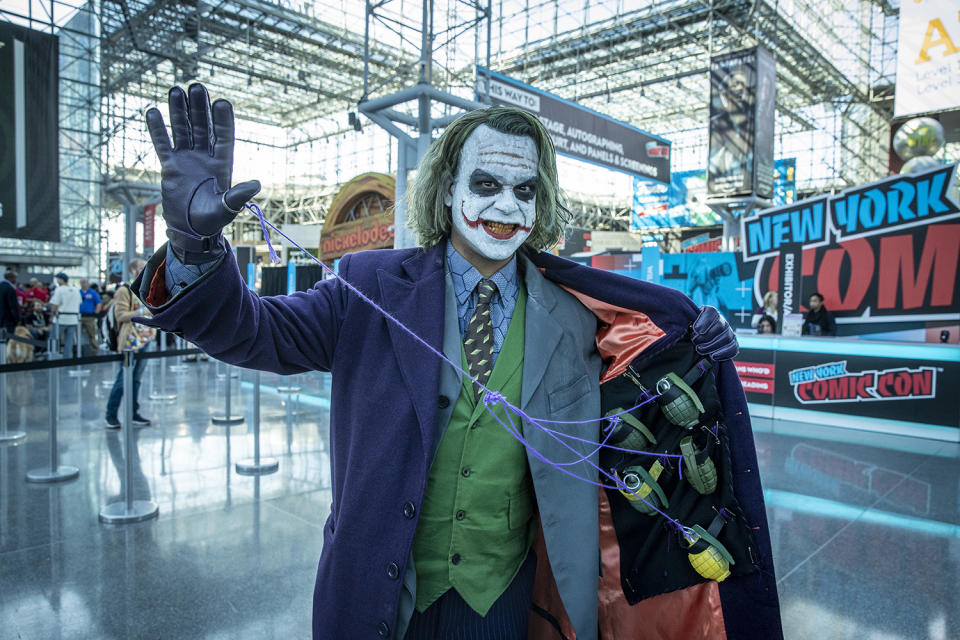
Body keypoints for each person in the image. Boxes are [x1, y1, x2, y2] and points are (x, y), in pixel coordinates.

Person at [135, 84, 781, 640]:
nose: (505, 207)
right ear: (446, 189)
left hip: (498, 601)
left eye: (524, 189)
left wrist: (693, 343)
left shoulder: (577, 315)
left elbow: (645, 381)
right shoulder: (370, 285)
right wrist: (195, 247)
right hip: (377, 595)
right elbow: (251, 332)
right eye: (486, 183)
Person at [104, 259, 155, 429]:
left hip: (145, 339)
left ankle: (134, 413)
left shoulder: (148, 288)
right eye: (141, 268)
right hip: (129, 341)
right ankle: (110, 414)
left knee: (137, 380)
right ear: (133, 270)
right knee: (123, 379)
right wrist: (142, 311)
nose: (144, 271)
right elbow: (121, 316)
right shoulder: (123, 290)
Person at [48, 272, 82, 358]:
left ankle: (53, 356)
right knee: (69, 341)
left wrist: (51, 316)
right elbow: (80, 303)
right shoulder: (76, 290)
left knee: (54, 339)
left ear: (61, 279)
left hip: (61, 319)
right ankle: (67, 358)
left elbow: (55, 304)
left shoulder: (59, 289)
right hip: (73, 319)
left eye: (57, 279)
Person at [78, 278, 103, 355]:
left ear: (88, 283)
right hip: (79, 317)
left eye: (85, 282)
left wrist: (96, 312)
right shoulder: (78, 292)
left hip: (90, 317)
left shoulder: (92, 293)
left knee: (92, 334)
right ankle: (78, 351)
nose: (83, 284)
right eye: (82, 282)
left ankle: (95, 351)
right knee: (77, 335)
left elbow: (99, 302)